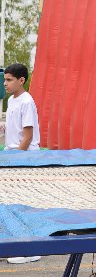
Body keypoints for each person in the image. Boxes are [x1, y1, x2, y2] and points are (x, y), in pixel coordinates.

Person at [3, 62, 42, 263]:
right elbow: (13, 130)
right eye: (4, 80)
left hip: (24, 159)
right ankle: (12, 244)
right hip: (12, 155)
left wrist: (16, 161)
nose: (5, 83)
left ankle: (30, 250)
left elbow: (27, 137)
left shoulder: (27, 102)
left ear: (21, 80)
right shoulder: (12, 100)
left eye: (9, 80)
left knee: (23, 204)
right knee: (8, 204)